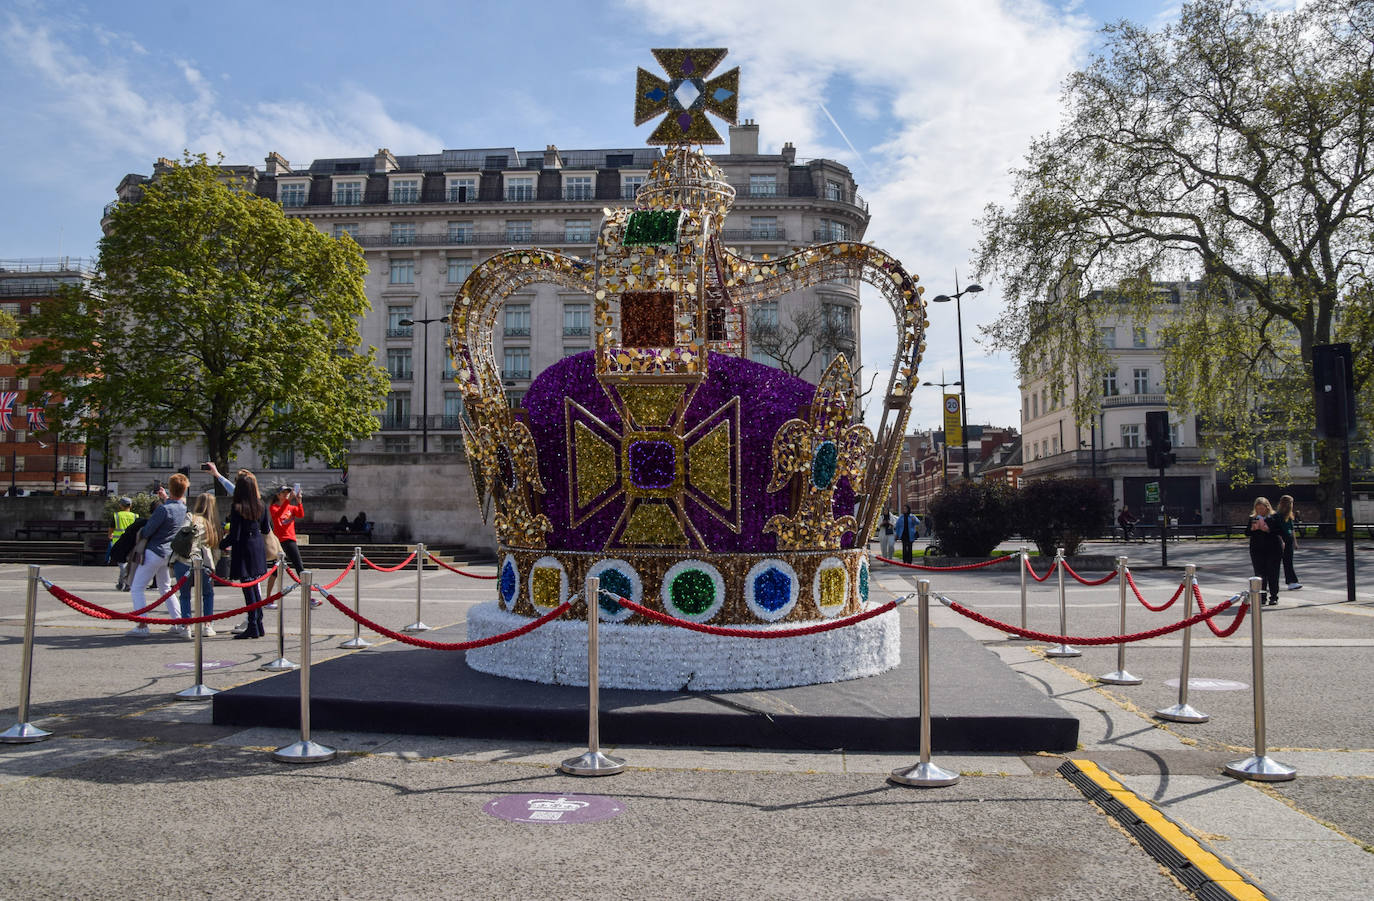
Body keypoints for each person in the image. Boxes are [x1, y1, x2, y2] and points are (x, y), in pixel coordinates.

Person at [209, 463, 272, 639]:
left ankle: (253, 625)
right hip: (257, 546)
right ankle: (258, 623)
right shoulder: (261, 504)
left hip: (243, 548)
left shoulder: (237, 507)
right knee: (255, 589)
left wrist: (220, 544)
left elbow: (234, 535)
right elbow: (266, 529)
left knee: (248, 589)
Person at [126, 475, 188, 637]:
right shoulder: (183, 508)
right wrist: (166, 498)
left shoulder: (162, 509)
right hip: (169, 553)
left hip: (154, 551)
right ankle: (178, 622)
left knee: (137, 588)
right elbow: (177, 503)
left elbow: (148, 530)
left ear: (170, 487)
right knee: (166, 588)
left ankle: (142, 625)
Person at [171, 492, 221, 638]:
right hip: (205, 562)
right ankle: (207, 625)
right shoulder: (214, 523)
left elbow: (182, 533)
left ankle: (186, 626)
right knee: (208, 594)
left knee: (185, 595)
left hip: (184, 559)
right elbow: (216, 548)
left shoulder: (190, 517)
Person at [265, 483, 317, 609]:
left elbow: (300, 514)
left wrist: (299, 501)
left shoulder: (290, 507)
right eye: (283, 493)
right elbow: (277, 516)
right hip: (280, 541)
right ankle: (268, 599)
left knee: (299, 567)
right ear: (278, 495)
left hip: (290, 539)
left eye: (287, 492)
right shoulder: (274, 507)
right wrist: (288, 501)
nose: (286, 495)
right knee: (276, 570)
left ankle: (308, 598)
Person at [1248, 496, 1285, 607]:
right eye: (1258, 508)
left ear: (1267, 507)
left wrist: (1268, 529)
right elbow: (1246, 532)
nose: (1260, 511)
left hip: (1273, 549)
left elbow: (1281, 531)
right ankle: (1262, 597)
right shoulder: (1253, 518)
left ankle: (1273, 596)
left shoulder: (1274, 517)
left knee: (1273, 573)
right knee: (1260, 574)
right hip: (1257, 549)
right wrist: (1252, 529)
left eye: (1262, 508)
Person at [108, 496, 137, 590]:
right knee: (129, 564)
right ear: (130, 505)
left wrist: (110, 535)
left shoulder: (117, 515)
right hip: (132, 543)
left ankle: (124, 583)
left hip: (119, 543)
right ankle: (124, 583)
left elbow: (111, 529)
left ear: (121, 505)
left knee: (122, 565)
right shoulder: (135, 516)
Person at [1275, 495, 1303, 591]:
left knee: (1288, 562)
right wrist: (1281, 541)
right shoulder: (1278, 515)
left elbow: (1292, 529)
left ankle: (1291, 581)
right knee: (1280, 562)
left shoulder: (1289, 516)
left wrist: (1295, 542)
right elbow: (1277, 530)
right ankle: (1289, 581)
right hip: (1282, 540)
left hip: (1289, 539)